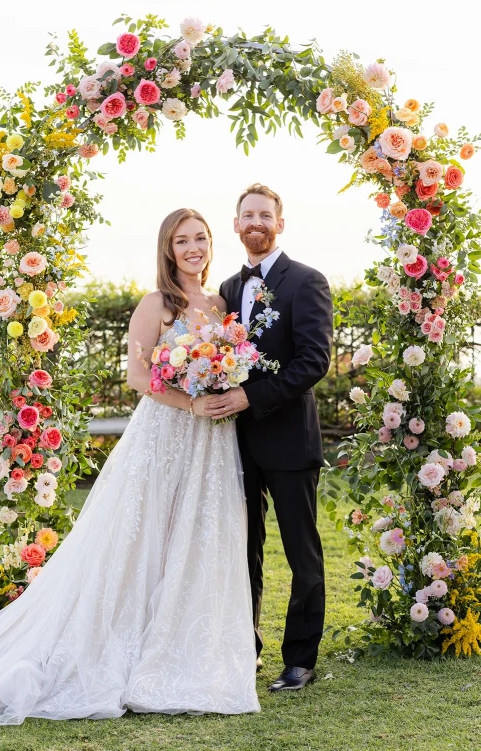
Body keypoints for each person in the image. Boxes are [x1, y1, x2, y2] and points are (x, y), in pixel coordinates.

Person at [0, 208, 259, 726]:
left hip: (211, 442)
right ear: (168, 248)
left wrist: (220, 386)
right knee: (141, 540)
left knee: (196, 538)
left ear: (210, 243)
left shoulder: (222, 303)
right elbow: (139, 375)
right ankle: (118, 648)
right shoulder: (158, 303)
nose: (193, 248)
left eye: (200, 238)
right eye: (182, 241)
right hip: (165, 433)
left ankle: (184, 651)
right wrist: (191, 403)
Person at [210, 183, 333, 692]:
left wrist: (250, 397)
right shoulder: (224, 290)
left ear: (279, 223)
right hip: (232, 445)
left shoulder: (306, 282)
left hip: (288, 441)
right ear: (236, 225)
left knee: (301, 552)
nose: (256, 222)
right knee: (243, 550)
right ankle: (245, 649)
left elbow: (313, 361)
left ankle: (300, 659)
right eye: (247, 215)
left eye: (265, 214)